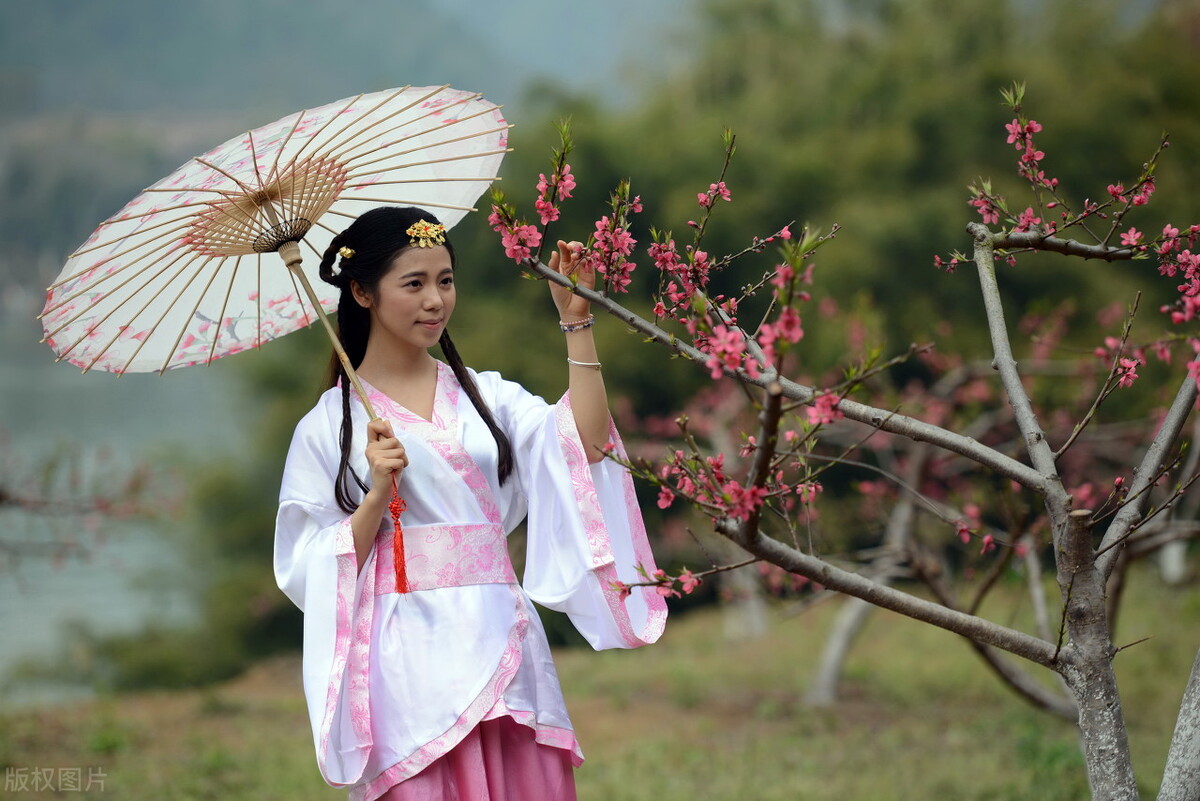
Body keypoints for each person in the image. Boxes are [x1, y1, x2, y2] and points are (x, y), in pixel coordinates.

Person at [273, 206, 667, 801]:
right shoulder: (328, 428)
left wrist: (578, 324)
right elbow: (304, 564)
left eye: (445, 280)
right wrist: (376, 498)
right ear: (361, 292)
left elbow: (582, 445)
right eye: (414, 283)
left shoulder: (488, 397)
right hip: (405, 661)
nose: (435, 300)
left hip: (503, 638)